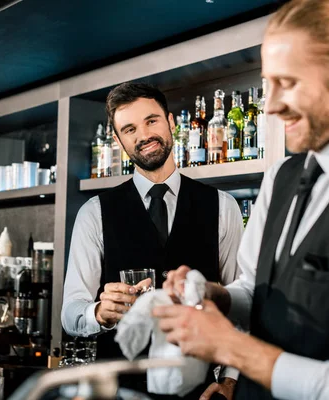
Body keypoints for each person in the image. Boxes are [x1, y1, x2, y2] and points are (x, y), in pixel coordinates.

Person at [152, 0, 329, 399]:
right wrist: (211, 294)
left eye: (287, 83)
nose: (269, 105)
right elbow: (257, 292)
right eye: (268, 84)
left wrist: (231, 346)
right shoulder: (282, 176)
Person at [61, 82, 244, 399]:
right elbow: (70, 313)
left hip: (198, 391)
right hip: (119, 389)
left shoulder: (223, 207)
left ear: (171, 123)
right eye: (129, 129)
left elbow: (241, 305)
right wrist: (99, 314)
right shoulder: (94, 214)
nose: (143, 135)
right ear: (119, 142)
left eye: (151, 121)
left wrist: (229, 380)